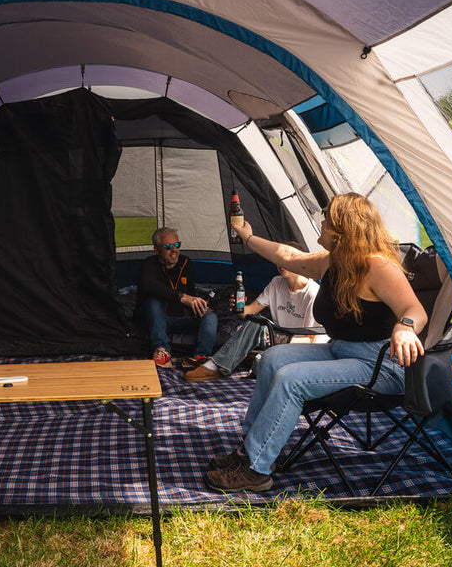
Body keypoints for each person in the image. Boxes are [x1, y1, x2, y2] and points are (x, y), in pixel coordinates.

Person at [205, 193, 427, 493]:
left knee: (291, 379)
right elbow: (287, 256)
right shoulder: (332, 262)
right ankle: (249, 450)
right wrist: (248, 238)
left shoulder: (378, 267)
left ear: (343, 229)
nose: (321, 223)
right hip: (341, 351)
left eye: (327, 219)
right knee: (272, 358)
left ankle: (256, 470)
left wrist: (405, 327)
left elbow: (415, 310)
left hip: (381, 365)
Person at [184, 254, 323, 382]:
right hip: (276, 342)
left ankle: (239, 360)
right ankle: (218, 365)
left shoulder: (313, 293)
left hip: (301, 350)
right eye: (278, 260)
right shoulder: (276, 283)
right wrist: (239, 307)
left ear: (300, 262)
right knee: (256, 323)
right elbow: (249, 312)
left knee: (259, 364)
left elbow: (311, 340)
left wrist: (280, 338)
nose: (280, 264)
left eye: (286, 260)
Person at [135, 227, 218, 368]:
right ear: (157, 250)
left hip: (178, 320)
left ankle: (200, 358)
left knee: (211, 317)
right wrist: (182, 297)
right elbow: (150, 286)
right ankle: (162, 350)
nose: (174, 250)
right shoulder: (148, 264)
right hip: (153, 320)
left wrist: (199, 308)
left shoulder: (186, 263)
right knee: (155, 300)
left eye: (177, 245)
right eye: (168, 247)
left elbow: (190, 293)